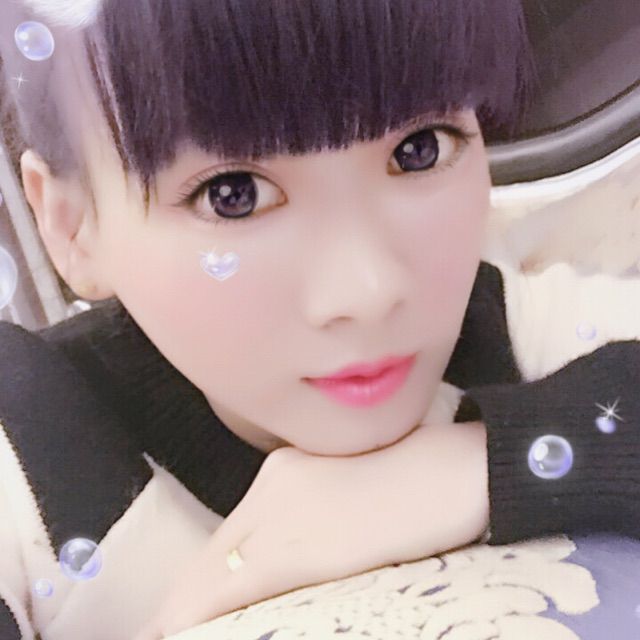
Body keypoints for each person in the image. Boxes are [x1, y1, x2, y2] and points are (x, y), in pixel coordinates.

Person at [0, 1, 638, 639]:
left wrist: (481, 464)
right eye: (234, 196)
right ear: (71, 226)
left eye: (419, 150)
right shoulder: (29, 447)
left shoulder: (523, 331)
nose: (368, 292)